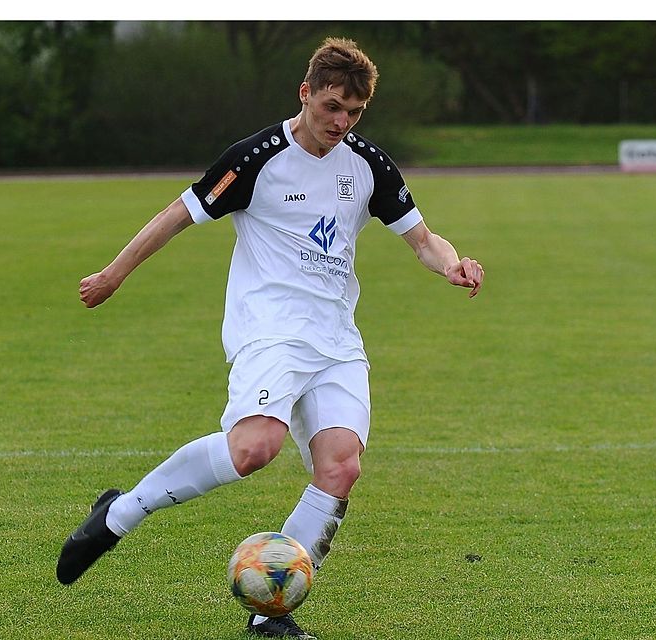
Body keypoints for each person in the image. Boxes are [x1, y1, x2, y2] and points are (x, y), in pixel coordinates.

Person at [56, 37, 484, 639]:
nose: (341, 123)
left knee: (340, 469)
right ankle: (119, 514)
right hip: (271, 329)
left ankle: (268, 615)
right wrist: (112, 274)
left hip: (336, 339)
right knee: (253, 450)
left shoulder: (368, 165)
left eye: (354, 113)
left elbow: (422, 238)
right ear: (305, 93)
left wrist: (452, 262)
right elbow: (177, 214)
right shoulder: (256, 157)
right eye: (332, 107)